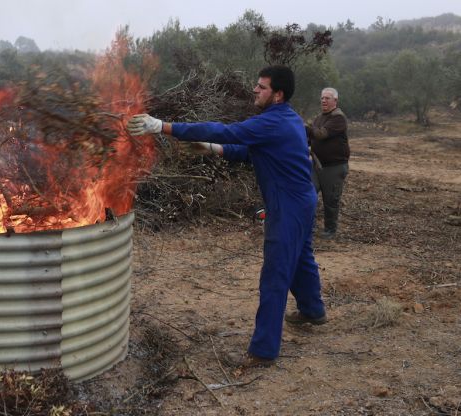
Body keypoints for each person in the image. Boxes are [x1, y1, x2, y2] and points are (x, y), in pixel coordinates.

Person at [127, 65, 326, 368]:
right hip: (301, 201)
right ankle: (313, 311)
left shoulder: (272, 122)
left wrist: (162, 126)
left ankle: (263, 351)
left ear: (277, 95)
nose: (255, 90)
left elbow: (227, 130)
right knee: (301, 259)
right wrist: (214, 149)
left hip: (288, 206)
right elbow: (251, 152)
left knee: (275, 275)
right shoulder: (287, 118)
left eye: (262, 87)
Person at [306, 87, 349, 239]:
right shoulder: (319, 117)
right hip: (317, 165)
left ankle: (330, 230)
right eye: (322, 98)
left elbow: (321, 134)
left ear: (335, 101)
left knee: (331, 200)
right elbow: (310, 138)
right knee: (308, 195)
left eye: (327, 98)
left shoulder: (338, 118)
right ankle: (308, 227)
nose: (323, 100)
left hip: (334, 167)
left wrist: (302, 125)